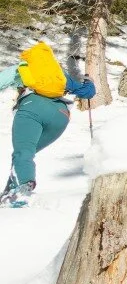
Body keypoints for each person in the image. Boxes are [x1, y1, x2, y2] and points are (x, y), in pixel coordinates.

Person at [0, 42, 96, 207]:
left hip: (32, 109)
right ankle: (9, 194)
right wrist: (89, 81)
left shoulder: (21, 69)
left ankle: (22, 192)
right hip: (61, 116)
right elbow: (88, 92)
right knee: (24, 156)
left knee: (23, 153)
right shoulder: (59, 75)